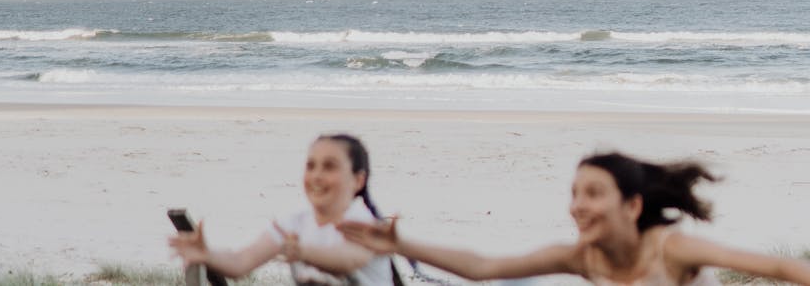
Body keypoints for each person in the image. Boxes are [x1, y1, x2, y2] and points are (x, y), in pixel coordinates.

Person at [339, 151, 810, 286]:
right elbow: (484, 267)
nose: (578, 206)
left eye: (594, 194)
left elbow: (780, 267)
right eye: (574, 194)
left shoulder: (672, 249)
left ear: (632, 206)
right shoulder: (583, 257)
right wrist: (401, 244)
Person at [169, 134, 398, 285]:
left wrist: (303, 252)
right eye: (311, 166)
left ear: (358, 180)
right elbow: (241, 262)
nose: (316, 175)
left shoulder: (366, 225)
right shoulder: (295, 223)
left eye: (330, 167)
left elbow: (347, 260)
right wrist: (207, 254)